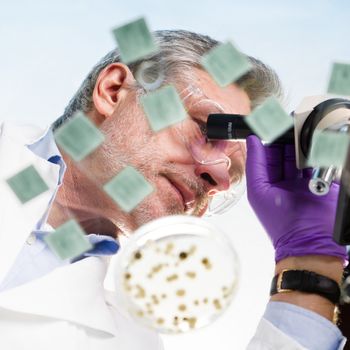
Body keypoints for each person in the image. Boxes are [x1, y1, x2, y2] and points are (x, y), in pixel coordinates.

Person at [0, 29, 347, 349]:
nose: (220, 179)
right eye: (203, 129)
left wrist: (309, 262)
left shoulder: (133, 338)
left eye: (234, 172)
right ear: (114, 91)